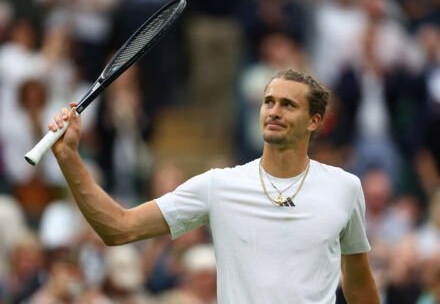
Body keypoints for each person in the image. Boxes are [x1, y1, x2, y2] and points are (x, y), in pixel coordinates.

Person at [47, 69, 379, 303]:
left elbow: (359, 281)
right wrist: (68, 158)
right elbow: (118, 228)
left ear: (314, 121)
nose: (274, 111)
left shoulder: (345, 188)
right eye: (269, 101)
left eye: (288, 105)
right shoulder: (218, 185)